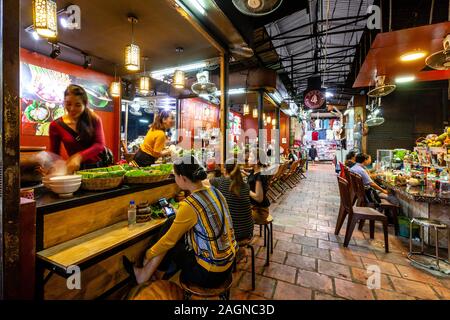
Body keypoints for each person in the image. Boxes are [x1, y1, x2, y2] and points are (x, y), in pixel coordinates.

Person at [123, 155, 237, 287]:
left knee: (170, 240)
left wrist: (148, 255)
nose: (174, 178)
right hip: (228, 264)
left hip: (209, 274)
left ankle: (146, 276)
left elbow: (168, 242)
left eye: (175, 175)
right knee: (173, 226)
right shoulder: (215, 192)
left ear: (182, 178)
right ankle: (150, 276)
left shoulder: (190, 204)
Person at [49, 84, 106, 172]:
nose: (72, 109)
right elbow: (54, 154)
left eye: (78, 105)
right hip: (75, 170)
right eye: (68, 104)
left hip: (97, 168)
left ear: (85, 104)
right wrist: (51, 167)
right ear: (64, 102)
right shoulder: (55, 125)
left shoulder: (94, 119)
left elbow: (99, 145)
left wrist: (79, 157)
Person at [208, 159, 253, 242]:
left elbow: (201, 184)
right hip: (247, 232)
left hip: (231, 234)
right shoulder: (246, 186)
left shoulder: (218, 182)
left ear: (225, 170)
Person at [247, 149, 271, 222]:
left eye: (250, 157)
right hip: (254, 207)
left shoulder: (260, 176)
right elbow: (252, 178)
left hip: (260, 212)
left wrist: (246, 189)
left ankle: (246, 233)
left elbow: (259, 198)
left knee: (236, 214)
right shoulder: (255, 171)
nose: (248, 159)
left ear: (257, 160)